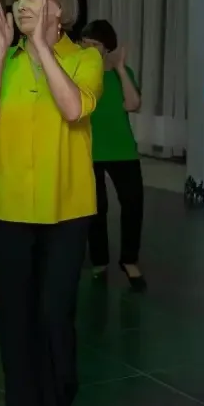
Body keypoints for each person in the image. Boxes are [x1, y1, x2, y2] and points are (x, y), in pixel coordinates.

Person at [0, 0, 103, 406]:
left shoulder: (86, 58)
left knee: (53, 316)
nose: (22, 4)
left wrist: (43, 48)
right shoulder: (4, 60)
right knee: (14, 318)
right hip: (7, 207)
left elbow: (73, 110)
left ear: (60, 8)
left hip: (65, 209)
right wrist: (0, 49)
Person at [79, 19, 146, 290]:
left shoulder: (122, 72)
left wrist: (119, 69)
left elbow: (133, 104)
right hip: (88, 150)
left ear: (107, 48)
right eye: (84, 44)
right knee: (96, 208)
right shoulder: (78, 73)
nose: (88, 49)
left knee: (133, 204)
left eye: (94, 45)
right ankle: (99, 260)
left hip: (122, 149)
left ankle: (129, 260)